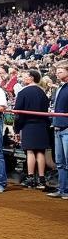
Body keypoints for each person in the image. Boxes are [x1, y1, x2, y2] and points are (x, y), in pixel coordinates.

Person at [14, 69, 51, 190]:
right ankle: (41, 178)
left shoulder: (23, 92)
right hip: (41, 125)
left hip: (28, 124)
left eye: (25, 76)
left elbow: (18, 112)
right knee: (40, 151)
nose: (23, 78)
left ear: (31, 77)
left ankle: (30, 178)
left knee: (30, 151)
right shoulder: (42, 92)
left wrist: (16, 129)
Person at [51, 61, 68, 198]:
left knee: (66, 161)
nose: (57, 72)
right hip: (58, 126)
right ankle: (62, 189)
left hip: (66, 127)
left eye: (60, 70)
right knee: (60, 162)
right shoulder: (60, 87)